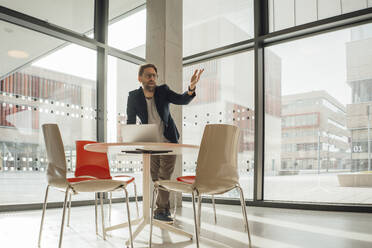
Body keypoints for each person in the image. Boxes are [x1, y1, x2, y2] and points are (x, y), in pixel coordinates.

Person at [126, 64, 204, 222]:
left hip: (169, 141)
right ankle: (162, 208)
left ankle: (160, 211)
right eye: (148, 75)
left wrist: (191, 88)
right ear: (140, 78)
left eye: (154, 75)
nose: (152, 78)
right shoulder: (133, 96)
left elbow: (182, 99)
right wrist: (130, 137)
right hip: (150, 143)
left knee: (164, 176)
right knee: (155, 177)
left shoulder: (163, 91)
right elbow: (130, 121)